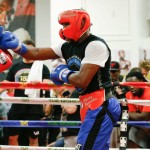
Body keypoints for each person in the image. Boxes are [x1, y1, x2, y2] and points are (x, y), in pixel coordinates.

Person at [0, 9, 121, 150]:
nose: (63, 29)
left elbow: (82, 80)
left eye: (66, 25)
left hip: (101, 104)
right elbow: (36, 53)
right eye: (62, 25)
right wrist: (17, 46)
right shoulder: (67, 46)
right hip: (89, 104)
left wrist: (63, 73)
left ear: (81, 23)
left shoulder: (95, 45)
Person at [0, 39, 50, 146]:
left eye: (30, 49)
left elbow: (47, 84)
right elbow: (5, 84)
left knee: (33, 139)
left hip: (34, 108)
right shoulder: (15, 66)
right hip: (17, 107)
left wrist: (41, 83)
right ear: (21, 51)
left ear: (34, 51)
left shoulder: (41, 67)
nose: (27, 52)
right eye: (25, 49)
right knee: (12, 138)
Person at [125, 71, 150, 148]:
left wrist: (123, 113)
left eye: (134, 83)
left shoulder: (149, 92)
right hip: (143, 127)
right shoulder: (129, 94)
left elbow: (143, 117)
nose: (131, 87)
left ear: (142, 82)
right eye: (129, 84)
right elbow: (134, 118)